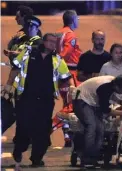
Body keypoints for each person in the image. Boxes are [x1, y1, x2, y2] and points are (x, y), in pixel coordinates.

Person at [2, 33, 74, 170]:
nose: (54, 45)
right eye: (51, 42)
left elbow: (67, 76)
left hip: (46, 100)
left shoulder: (57, 59)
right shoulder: (29, 52)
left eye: (55, 42)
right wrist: (9, 85)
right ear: (44, 42)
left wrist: (72, 87)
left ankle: (37, 158)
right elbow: (15, 68)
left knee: (42, 130)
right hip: (26, 97)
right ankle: (18, 151)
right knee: (24, 127)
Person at [72, 75, 122, 167]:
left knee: (100, 129)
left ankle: (94, 156)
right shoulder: (104, 87)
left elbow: (110, 96)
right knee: (91, 126)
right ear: (117, 86)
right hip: (81, 99)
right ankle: (87, 157)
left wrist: (121, 102)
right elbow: (105, 110)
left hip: (91, 101)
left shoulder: (111, 84)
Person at [2, 15, 43, 135]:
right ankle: (22, 136)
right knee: (19, 112)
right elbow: (16, 63)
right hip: (21, 86)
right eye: (27, 26)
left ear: (36, 28)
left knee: (31, 112)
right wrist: (9, 84)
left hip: (33, 85)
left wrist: (16, 53)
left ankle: (31, 136)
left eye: (31, 26)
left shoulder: (39, 43)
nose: (28, 28)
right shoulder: (23, 41)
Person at [54, 10, 82, 147]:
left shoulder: (58, 33)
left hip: (61, 74)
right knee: (71, 106)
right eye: (77, 18)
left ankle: (67, 136)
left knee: (67, 105)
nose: (79, 21)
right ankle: (48, 128)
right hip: (70, 73)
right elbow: (65, 54)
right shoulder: (71, 35)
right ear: (73, 20)